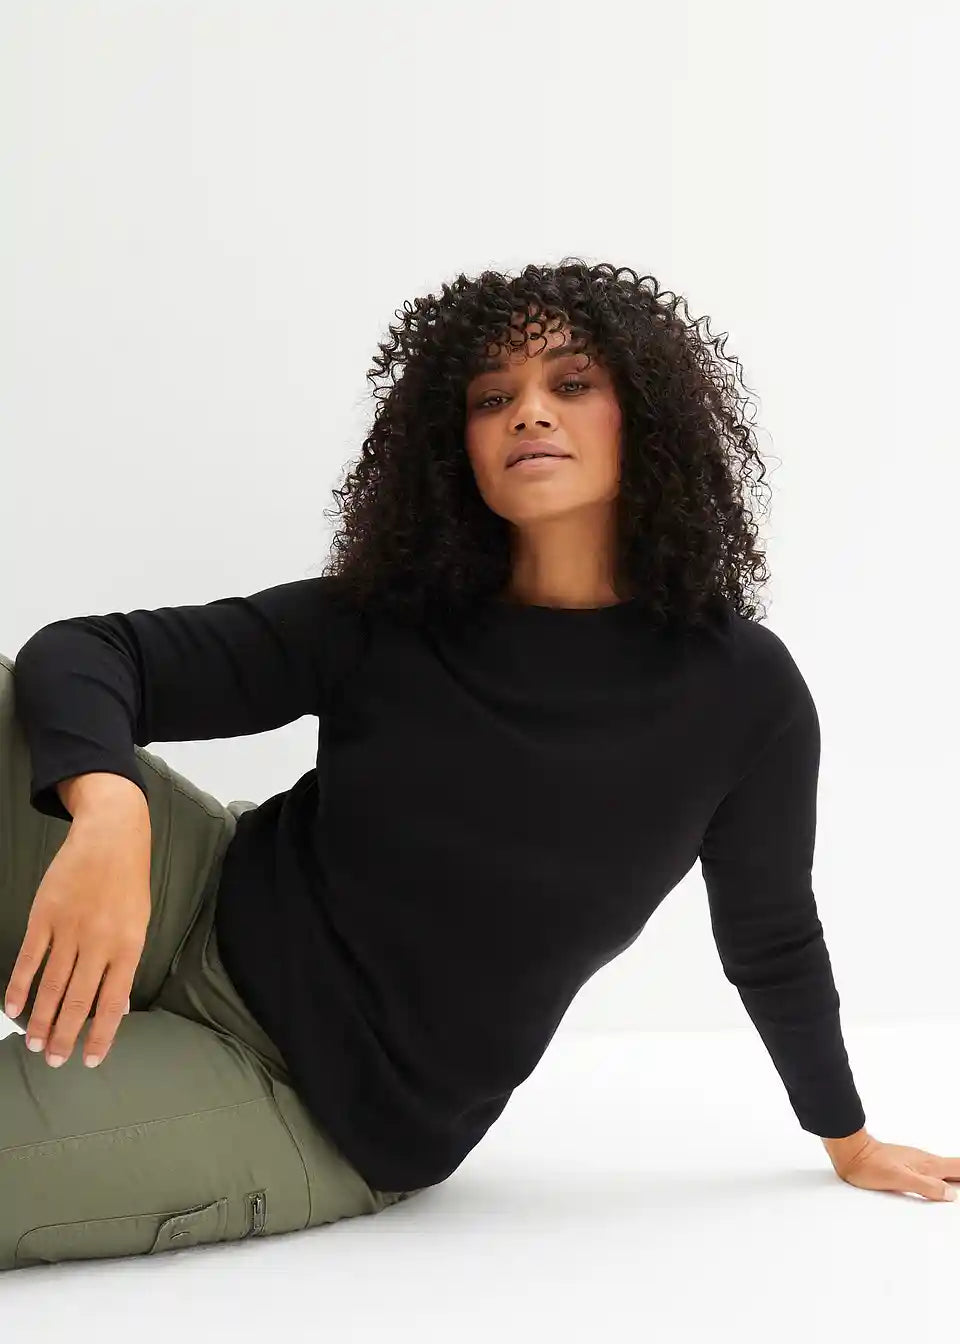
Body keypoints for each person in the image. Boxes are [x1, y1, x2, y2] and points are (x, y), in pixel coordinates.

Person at [2, 259, 954, 1273]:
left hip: (306, 1101)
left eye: (571, 383)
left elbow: (772, 938)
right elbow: (89, 654)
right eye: (493, 397)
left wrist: (847, 1137)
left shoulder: (741, 694)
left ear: (647, 420)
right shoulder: (391, 617)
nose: (529, 412)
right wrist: (109, 812)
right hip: (189, 901)